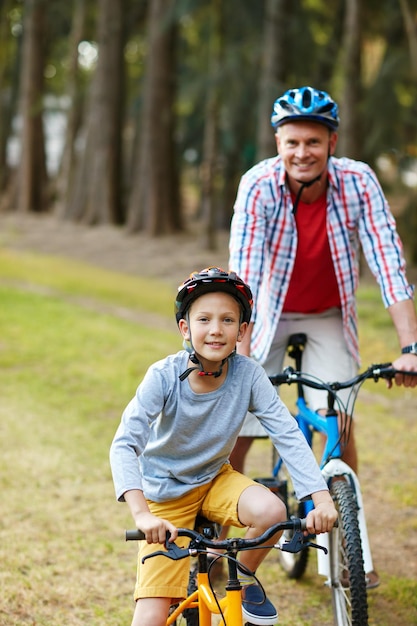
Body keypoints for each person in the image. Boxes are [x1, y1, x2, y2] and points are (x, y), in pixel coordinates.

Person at [227, 85, 417, 586]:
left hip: (329, 313)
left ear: (332, 143)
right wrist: (239, 360)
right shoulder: (258, 185)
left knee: (339, 416)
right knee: (239, 420)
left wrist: (410, 348)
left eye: (313, 142)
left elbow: (388, 262)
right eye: (292, 142)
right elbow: (242, 276)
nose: (301, 152)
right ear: (277, 142)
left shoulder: (358, 181)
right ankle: (224, 529)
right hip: (266, 313)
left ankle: (355, 550)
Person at [110, 266, 338, 626]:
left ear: (242, 331)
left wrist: (321, 499)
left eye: (228, 320)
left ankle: (241, 576)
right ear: (185, 328)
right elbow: (124, 444)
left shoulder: (248, 374)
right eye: (204, 319)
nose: (216, 329)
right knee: (151, 615)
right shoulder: (164, 376)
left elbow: (287, 434)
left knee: (272, 512)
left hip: (215, 479)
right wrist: (142, 514)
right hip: (165, 497)